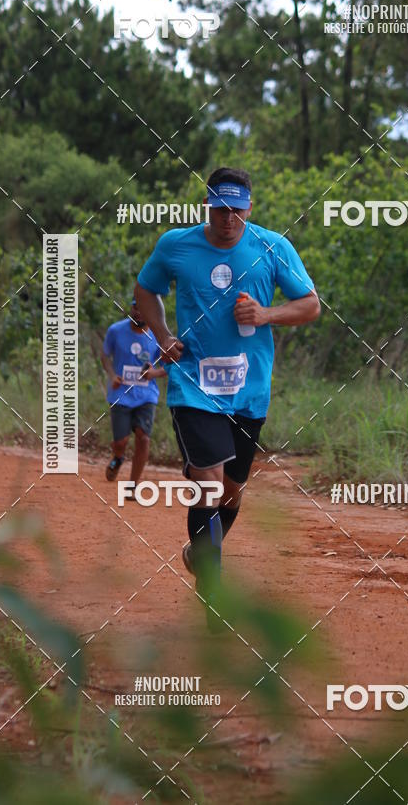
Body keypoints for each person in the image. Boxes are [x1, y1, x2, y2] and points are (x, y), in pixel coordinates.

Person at [134, 166, 320, 631]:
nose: (228, 218)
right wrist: (162, 335)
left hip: (249, 391)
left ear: (249, 208)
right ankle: (212, 595)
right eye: (220, 209)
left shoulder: (273, 246)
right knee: (210, 483)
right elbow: (146, 289)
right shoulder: (175, 245)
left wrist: (266, 313)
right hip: (193, 386)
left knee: (233, 492)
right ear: (207, 206)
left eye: (237, 209)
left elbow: (311, 305)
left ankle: (200, 552)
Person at [100, 299, 167, 489]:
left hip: (146, 395)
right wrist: (112, 375)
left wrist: (153, 373)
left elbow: (169, 365)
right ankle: (118, 457)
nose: (138, 312)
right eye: (135, 307)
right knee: (121, 442)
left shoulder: (159, 335)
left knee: (143, 437)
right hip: (120, 394)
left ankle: (132, 484)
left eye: (143, 308)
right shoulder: (116, 330)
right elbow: (105, 356)